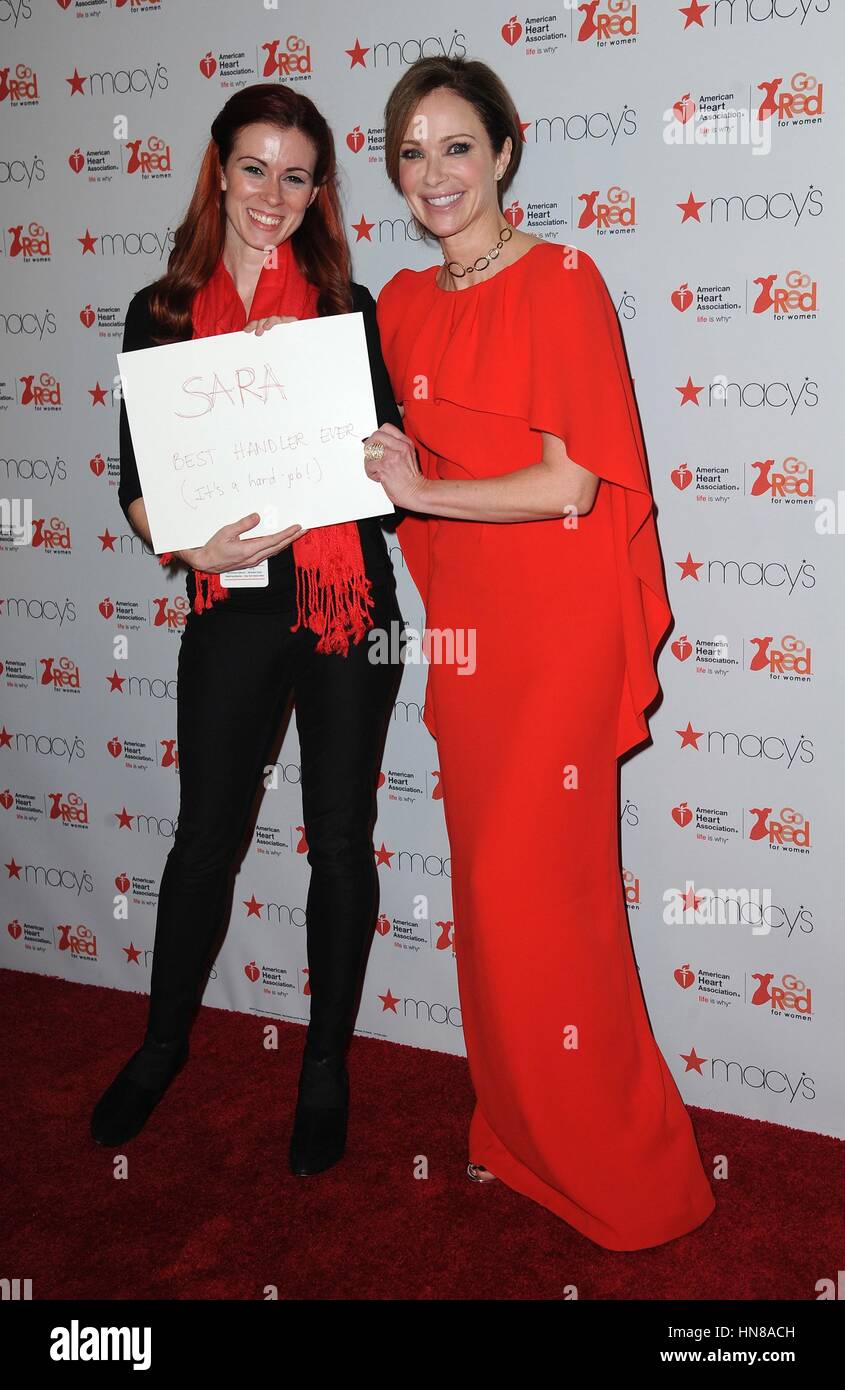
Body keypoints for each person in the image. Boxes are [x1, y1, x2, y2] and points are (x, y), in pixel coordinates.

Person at [366, 55, 717, 1250]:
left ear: (506, 150)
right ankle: (517, 1131)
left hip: (553, 630)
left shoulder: (564, 280)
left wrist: (424, 488)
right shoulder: (398, 303)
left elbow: (570, 481)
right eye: (410, 153)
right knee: (491, 896)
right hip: (464, 632)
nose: (434, 173)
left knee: (546, 897)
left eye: (455, 146)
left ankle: (623, 1170)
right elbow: (373, 467)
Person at [90, 83, 404, 1177]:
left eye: (299, 174)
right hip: (233, 602)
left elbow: (385, 472)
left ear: (319, 189)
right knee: (204, 840)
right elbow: (137, 482)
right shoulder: (161, 311)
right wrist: (185, 544)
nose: (275, 194)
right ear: (219, 168)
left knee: (343, 838)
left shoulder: (347, 307)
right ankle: (161, 1045)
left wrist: (311, 386)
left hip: (345, 600)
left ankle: (324, 1069)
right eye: (256, 167)